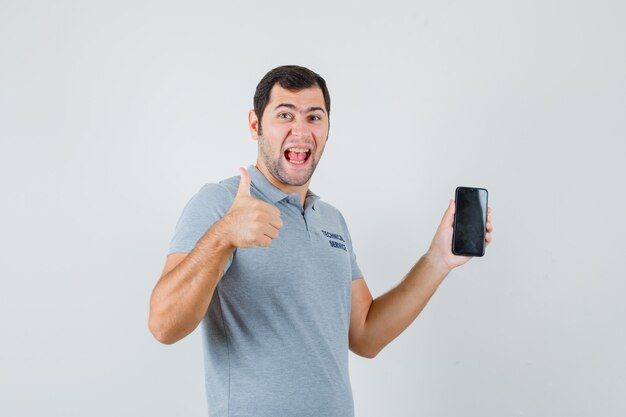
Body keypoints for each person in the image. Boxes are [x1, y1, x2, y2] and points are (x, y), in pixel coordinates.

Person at [148, 65, 493, 417]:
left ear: (327, 130)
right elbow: (163, 325)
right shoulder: (219, 203)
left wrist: (437, 260)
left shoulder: (332, 220)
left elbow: (365, 335)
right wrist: (224, 235)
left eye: (314, 117)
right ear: (256, 125)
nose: (301, 131)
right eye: (285, 115)